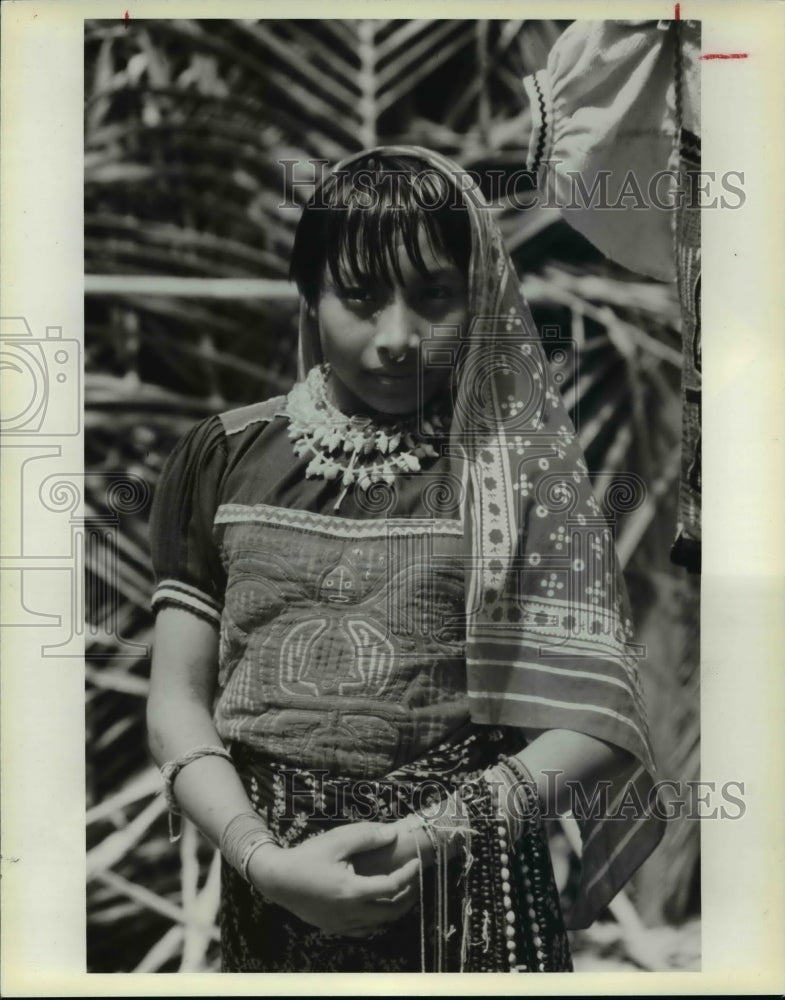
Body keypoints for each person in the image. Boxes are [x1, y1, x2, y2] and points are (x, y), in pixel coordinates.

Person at [147, 146, 664, 973]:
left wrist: (431, 835)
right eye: (358, 296)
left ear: (481, 296)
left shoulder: (515, 471)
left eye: (433, 298)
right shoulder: (221, 456)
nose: (396, 338)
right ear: (309, 298)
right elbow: (177, 700)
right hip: (274, 885)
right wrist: (263, 860)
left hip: (471, 887)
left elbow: (596, 721)